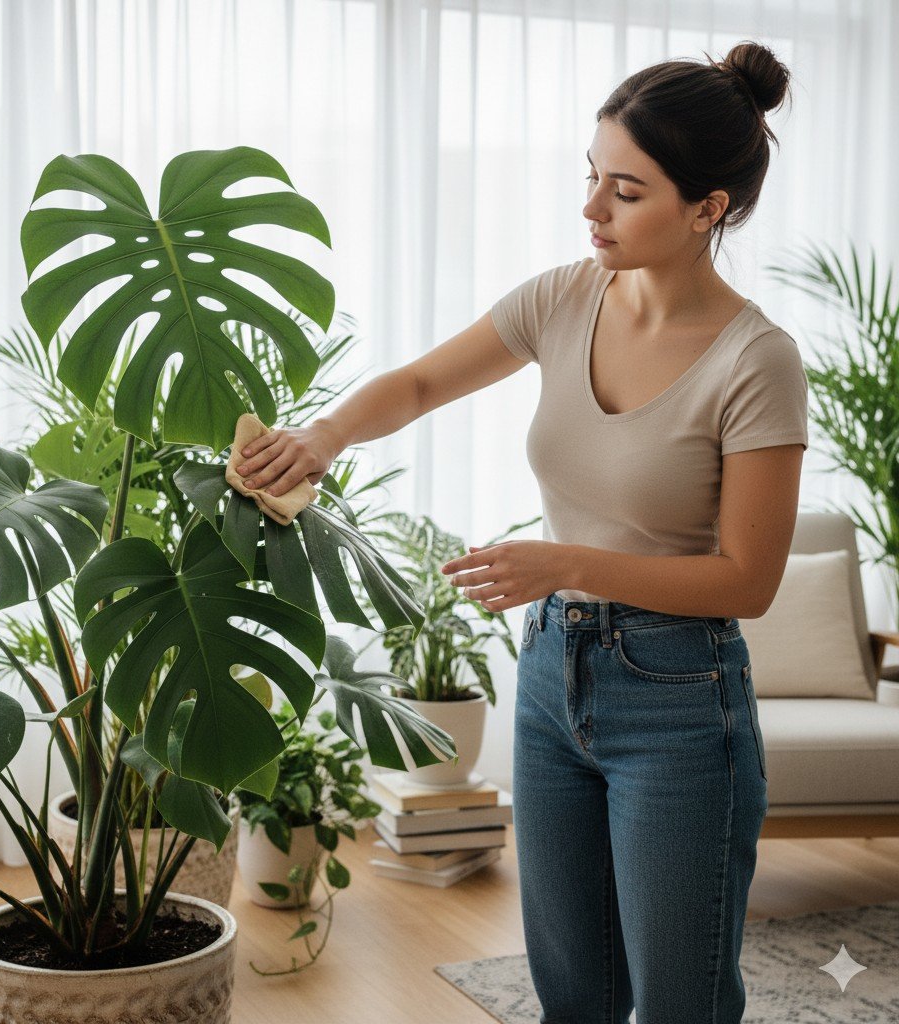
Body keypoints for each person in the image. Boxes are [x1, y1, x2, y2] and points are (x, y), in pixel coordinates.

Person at [233, 38, 807, 1024]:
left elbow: (746, 581)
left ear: (706, 208)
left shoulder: (757, 362)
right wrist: (319, 437)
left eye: (625, 191)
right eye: (591, 178)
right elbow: (418, 382)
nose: (591, 210)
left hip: (680, 701)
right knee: (573, 995)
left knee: (682, 1005)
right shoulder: (561, 297)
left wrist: (568, 563)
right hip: (549, 682)